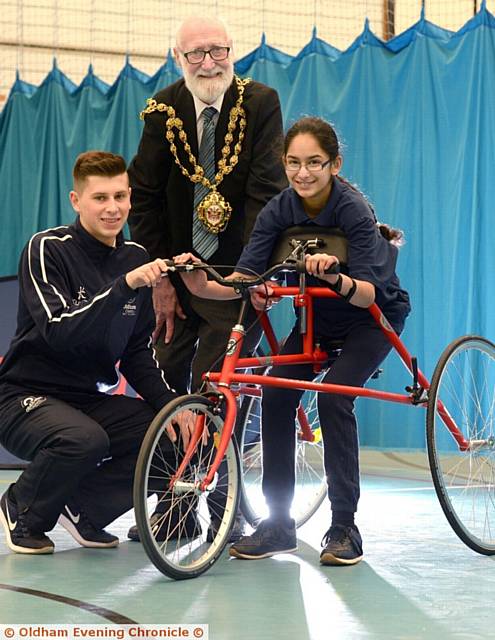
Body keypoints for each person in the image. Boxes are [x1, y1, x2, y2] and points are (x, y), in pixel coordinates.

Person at [174, 116, 411, 566]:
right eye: (294, 163)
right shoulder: (279, 209)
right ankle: (278, 524)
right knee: (275, 391)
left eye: (315, 163)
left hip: (370, 319)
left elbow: (367, 295)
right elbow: (244, 280)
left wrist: (336, 277)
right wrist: (199, 281)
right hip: (315, 321)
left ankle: (344, 527)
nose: (303, 173)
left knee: (334, 398)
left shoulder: (353, 210)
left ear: (335, 165)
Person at [126, 15, 287, 542]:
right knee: (170, 385)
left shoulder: (259, 102)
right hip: (179, 270)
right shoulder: (162, 110)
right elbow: (143, 196)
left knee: (221, 388)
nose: (207, 62)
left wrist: (247, 276)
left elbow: (266, 192)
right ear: (178, 59)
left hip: (236, 275)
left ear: (232, 51)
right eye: (194, 54)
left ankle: (226, 510)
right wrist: (163, 279)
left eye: (216, 50)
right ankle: (174, 511)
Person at [0, 151, 190, 555]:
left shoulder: (134, 257)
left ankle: (83, 509)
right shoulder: (47, 249)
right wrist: (122, 287)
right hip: (21, 398)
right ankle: (23, 507)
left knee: (168, 436)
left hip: (87, 399)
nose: (112, 208)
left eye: (120, 197)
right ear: (76, 200)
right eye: (100, 198)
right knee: (85, 440)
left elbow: (138, 352)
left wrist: (171, 406)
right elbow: (59, 332)